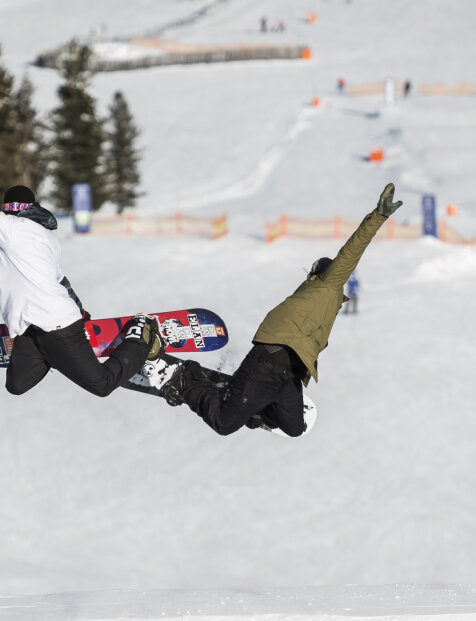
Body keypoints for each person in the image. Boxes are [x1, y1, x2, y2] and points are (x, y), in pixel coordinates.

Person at [0, 151, 163, 398]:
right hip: (29, 331)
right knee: (16, 385)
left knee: (102, 385)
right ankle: (56, 358)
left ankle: (140, 335)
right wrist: (81, 312)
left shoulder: (13, 227)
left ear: (12, 209)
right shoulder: (45, 237)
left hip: (56, 325)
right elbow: (61, 281)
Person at [164, 184, 402, 437]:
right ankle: (187, 379)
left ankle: (256, 408)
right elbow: (351, 252)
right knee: (224, 424)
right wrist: (379, 216)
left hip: (289, 376)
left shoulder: (327, 299)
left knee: (294, 428)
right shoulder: (327, 284)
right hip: (268, 361)